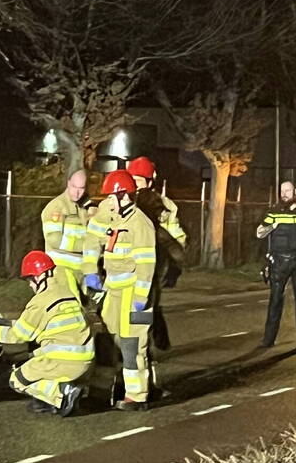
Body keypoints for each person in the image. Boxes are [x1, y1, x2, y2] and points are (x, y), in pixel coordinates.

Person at [0, 251, 93, 416]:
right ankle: (69, 390)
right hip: (85, 359)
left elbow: (17, 336)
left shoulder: (40, 302)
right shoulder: (66, 293)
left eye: (30, 279)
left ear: (40, 276)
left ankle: (61, 393)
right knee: (34, 358)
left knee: (16, 379)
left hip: (64, 361)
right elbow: (37, 325)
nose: (30, 285)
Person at [82, 170, 157, 410]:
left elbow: (147, 265)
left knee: (132, 345)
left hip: (134, 293)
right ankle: (100, 392)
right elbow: (92, 239)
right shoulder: (108, 212)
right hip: (112, 291)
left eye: (114, 198)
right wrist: (90, 270)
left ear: (126, 196)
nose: (110, 203)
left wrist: (140, 299)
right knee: (105, 342)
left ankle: (137, 396)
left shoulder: (141, 224)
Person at [126, 156, 187, 351]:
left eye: (139, 180)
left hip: (153, 262)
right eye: (132, 180)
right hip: (125, 263)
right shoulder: (122, 200)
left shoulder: (163, 205)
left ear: (150, 182)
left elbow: (176, 238)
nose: (135, 185)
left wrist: (175, 259)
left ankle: (147, 348)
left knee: (146, 304)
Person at [257, 181, 296, 351]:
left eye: (288, 190)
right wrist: (272, 225)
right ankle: (268, 339)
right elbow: (260, 232)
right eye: (282, 191)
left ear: (295, 192)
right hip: (279, 261)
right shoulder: (274, 210)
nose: (284, 193)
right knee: (275, 300)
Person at [40, 170, 95, 298]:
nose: (77, 192)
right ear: (68, 184)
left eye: (81, 188)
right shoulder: (56, 207)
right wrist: (86, 246)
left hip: (80, 271)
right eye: (74, 187)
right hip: (61, 271)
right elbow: (54, 239)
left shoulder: (84, 207)